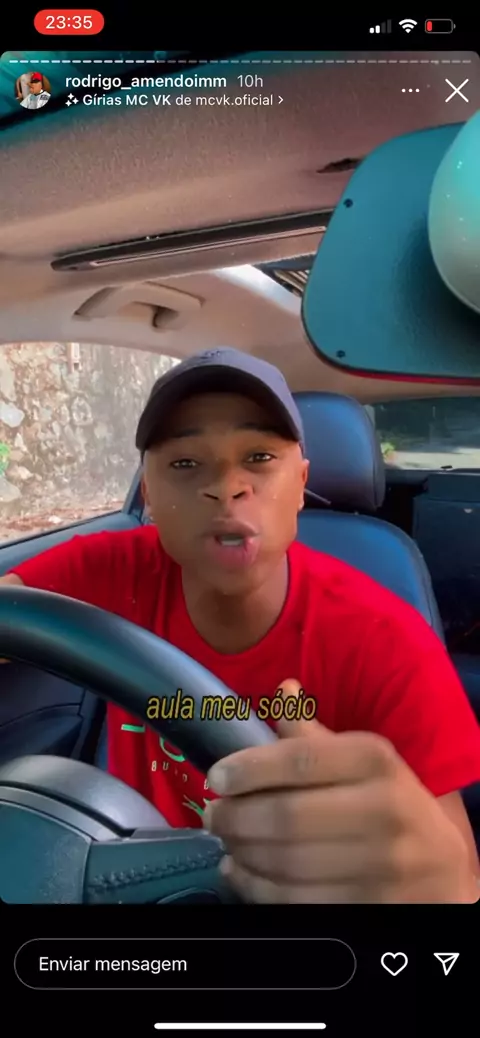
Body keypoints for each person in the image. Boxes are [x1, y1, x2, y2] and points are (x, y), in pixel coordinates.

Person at [2, 347, 480, 902]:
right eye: (186, 464)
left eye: (258, 457)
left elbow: (456, 877)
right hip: (130, 876)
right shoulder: (113, 569)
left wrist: (430, 880)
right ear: (149, 495)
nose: (227, 486)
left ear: (301, 484)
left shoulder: (388, 639)